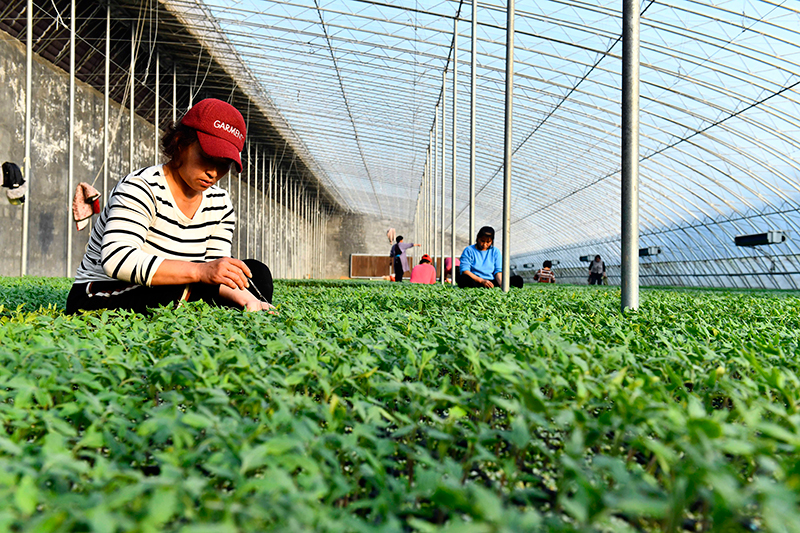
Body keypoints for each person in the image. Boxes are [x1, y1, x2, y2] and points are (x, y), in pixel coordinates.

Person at [66, 98, 274, 315]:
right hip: (103, 292)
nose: (213, 172)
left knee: (256, 274)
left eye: (223, 164)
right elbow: (117, 259)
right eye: (206, 157)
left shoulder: (219, 204)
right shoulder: (141, 187)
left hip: (180, 285)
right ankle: (196, 304)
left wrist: (242, 292)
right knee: (173, 290)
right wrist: (200, 271)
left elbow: (215, 270)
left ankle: (230, 307)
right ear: (180, 142)